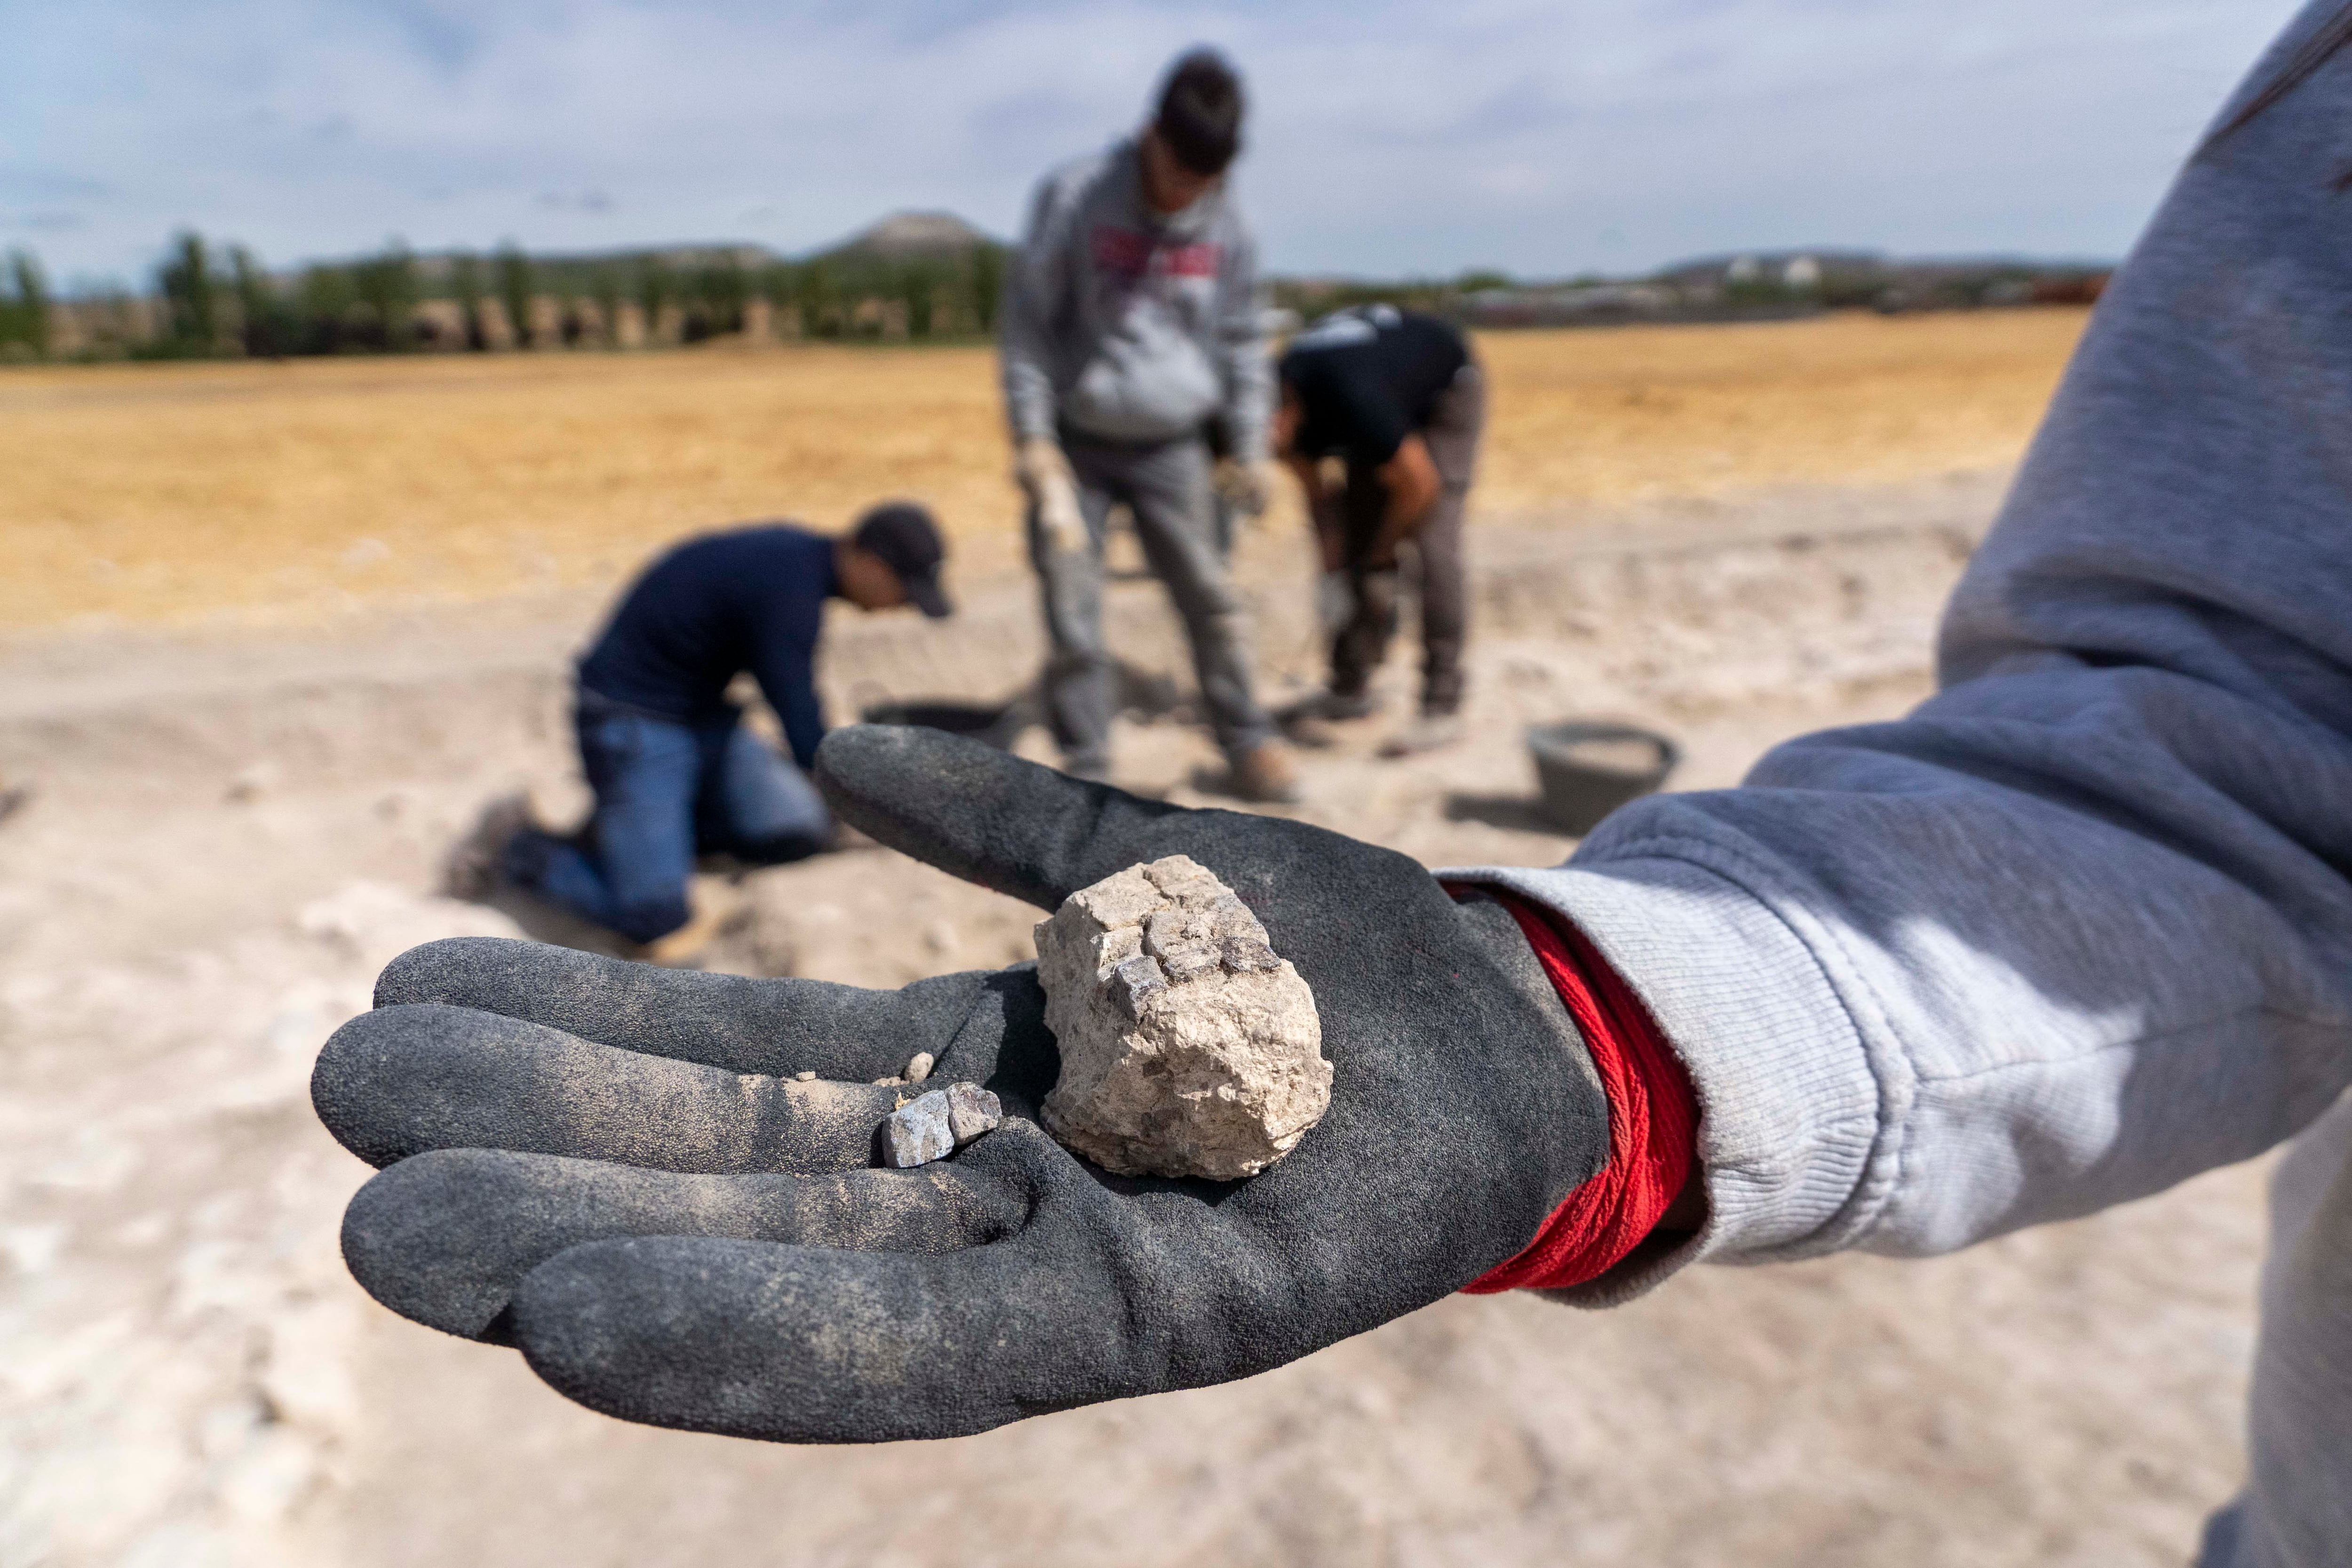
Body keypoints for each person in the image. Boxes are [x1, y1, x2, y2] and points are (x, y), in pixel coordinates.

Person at [318, 7, 2352, 1561]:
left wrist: (1231, 449)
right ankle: (1004, 764)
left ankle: (1256, 708)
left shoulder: (1272, 292)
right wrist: (1600, 1035)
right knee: (881, 754)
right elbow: (2228, 738)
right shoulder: (1072, 219)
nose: (1192, 203)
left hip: (1195, 449)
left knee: (1201, 617)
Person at [997, 48, 1300, 803]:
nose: (1183, 197)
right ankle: (1087, 767)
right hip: (1078, 444)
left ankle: (1245, 738)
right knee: (1073, 606)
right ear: (1149, 136)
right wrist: (1033, 440)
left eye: (1203, 184)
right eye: (1174, 177)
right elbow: (1028, 326)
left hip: (1174, 446)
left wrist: (1252, 448)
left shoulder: (1231, 222)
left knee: (1212, 597)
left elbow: (1240, 340)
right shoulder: (1073, 197)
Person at [501, 503, 951, 961]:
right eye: (903, 592)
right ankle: (528, 855)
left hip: (700, 718)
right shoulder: (787, 590)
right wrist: (854, 801)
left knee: (796, 830)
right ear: (871, 565)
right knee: (656, 918)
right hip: (632, 720)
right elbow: (794, 705)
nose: (899, 607)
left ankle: (644, 833)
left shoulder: (795, 567)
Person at [1275, 304, 1484, 756]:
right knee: (1357, 536)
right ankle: (1350, 687)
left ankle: (1441, 704)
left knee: (1433, 546)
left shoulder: (1354, 396)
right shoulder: (1278, 408)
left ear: (1288, 409)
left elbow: (1420, 485)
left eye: (1274, 435)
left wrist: (1383, 551)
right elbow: (1321, 503)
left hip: (1444, 388)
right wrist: (1333, 573)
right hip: (1382, 393)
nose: (1273, 447)